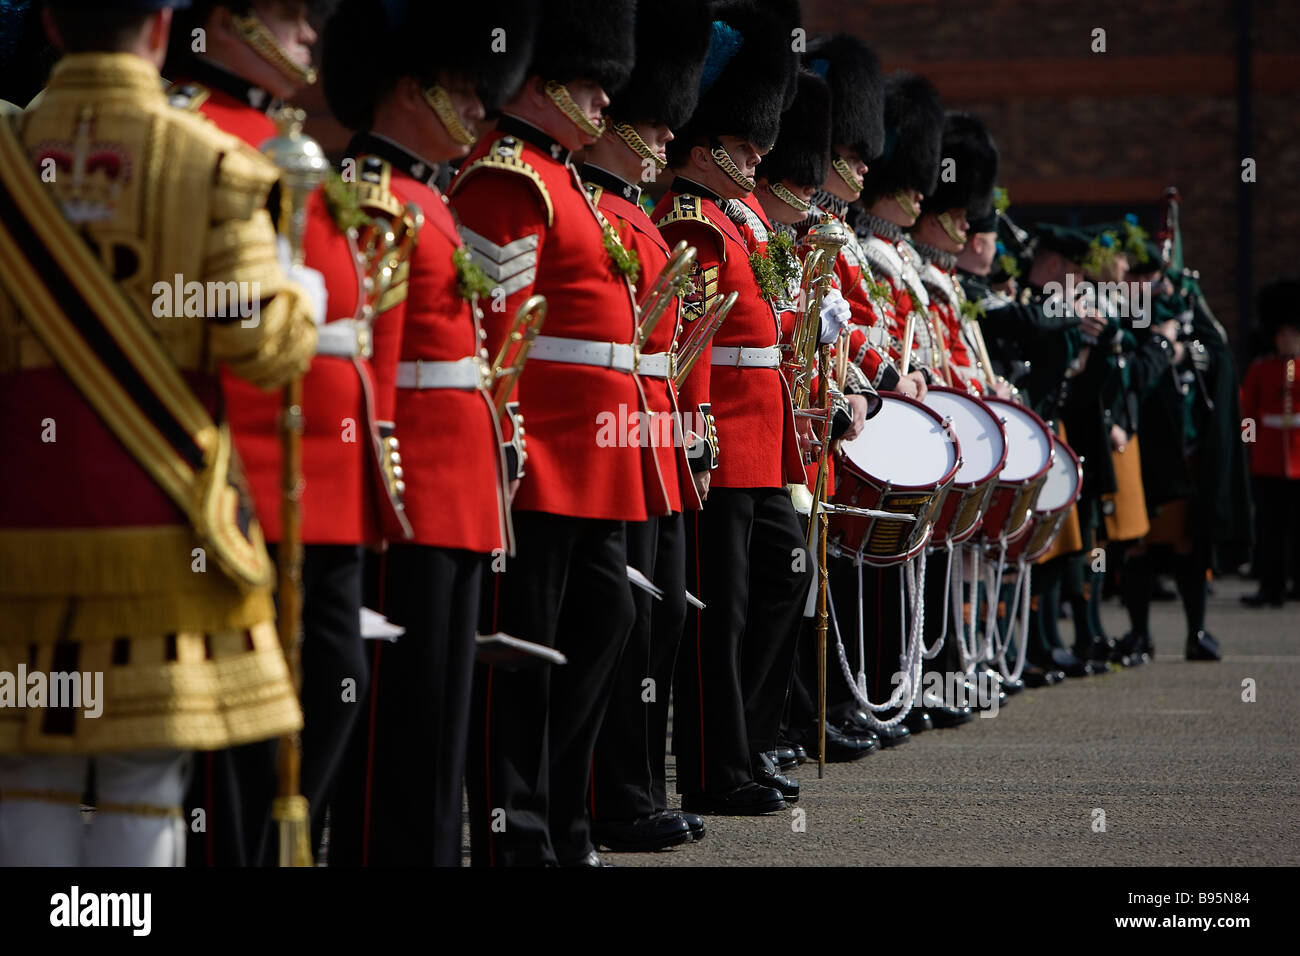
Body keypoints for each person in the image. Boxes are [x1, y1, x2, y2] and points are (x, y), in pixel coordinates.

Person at [0, 0, 317, 865]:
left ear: (54, 28)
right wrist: (302, 287)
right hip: (165, 518)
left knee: (28, 764)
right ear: (160, 28)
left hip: (17, 523)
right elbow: (265, 348)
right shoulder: (210, 164)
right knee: (144, 776)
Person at [315, 0, 536, 867]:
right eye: (461, 91)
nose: (481, 110)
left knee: (439, 722)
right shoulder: (378, 202)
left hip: (455, 496)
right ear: (410, 88)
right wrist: (379, 502)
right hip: (407, 503)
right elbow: (371, 379)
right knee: (401, 730)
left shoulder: (426, 199)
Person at [451, 0, 658, 867]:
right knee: (526, 654)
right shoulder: (510, 179)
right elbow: (496, 332)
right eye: (589, 85)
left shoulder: (565, 177)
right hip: (540, 459)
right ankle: (515, 829)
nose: (606, 104)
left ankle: (565, 822)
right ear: (539, 86)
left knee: (601, 625)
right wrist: (505, 445)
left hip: (598, 457)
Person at [167, 0, 342, 866]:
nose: (310, 34)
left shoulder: (281, 134)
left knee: (322, 692)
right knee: (223, 726)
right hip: (220, 461)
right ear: (232, 21)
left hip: (308, 463)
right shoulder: (187, 130)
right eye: (290, 15)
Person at [653, 0, 812, 815]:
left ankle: (747, 744)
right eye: (745, 144)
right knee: (722, 617)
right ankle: (718, 766)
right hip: (719, 446)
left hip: (760, 443)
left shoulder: (736, 225)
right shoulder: (695, 223)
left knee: (780, 586)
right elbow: (692, 346)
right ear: (704, 144)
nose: (759, 157)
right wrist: (695, 435)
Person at [581, 0, 712, 854]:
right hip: (608, 443)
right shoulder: (588, 203)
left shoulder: (630, 213)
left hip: (653, 439)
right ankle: (613, 796)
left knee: (656, 624)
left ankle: (634, 791)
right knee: (615, 627)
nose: (665, 142)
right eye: (652, 126)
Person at [1240, 278, 1300, 606]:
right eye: (1282, 334)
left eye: (1292, 333)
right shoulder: (1260, 369)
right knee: (1270, 529)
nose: (1286, 339)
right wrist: (1250, 447)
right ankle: (1270, 585)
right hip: (1268, 456)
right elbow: (1248, 413)